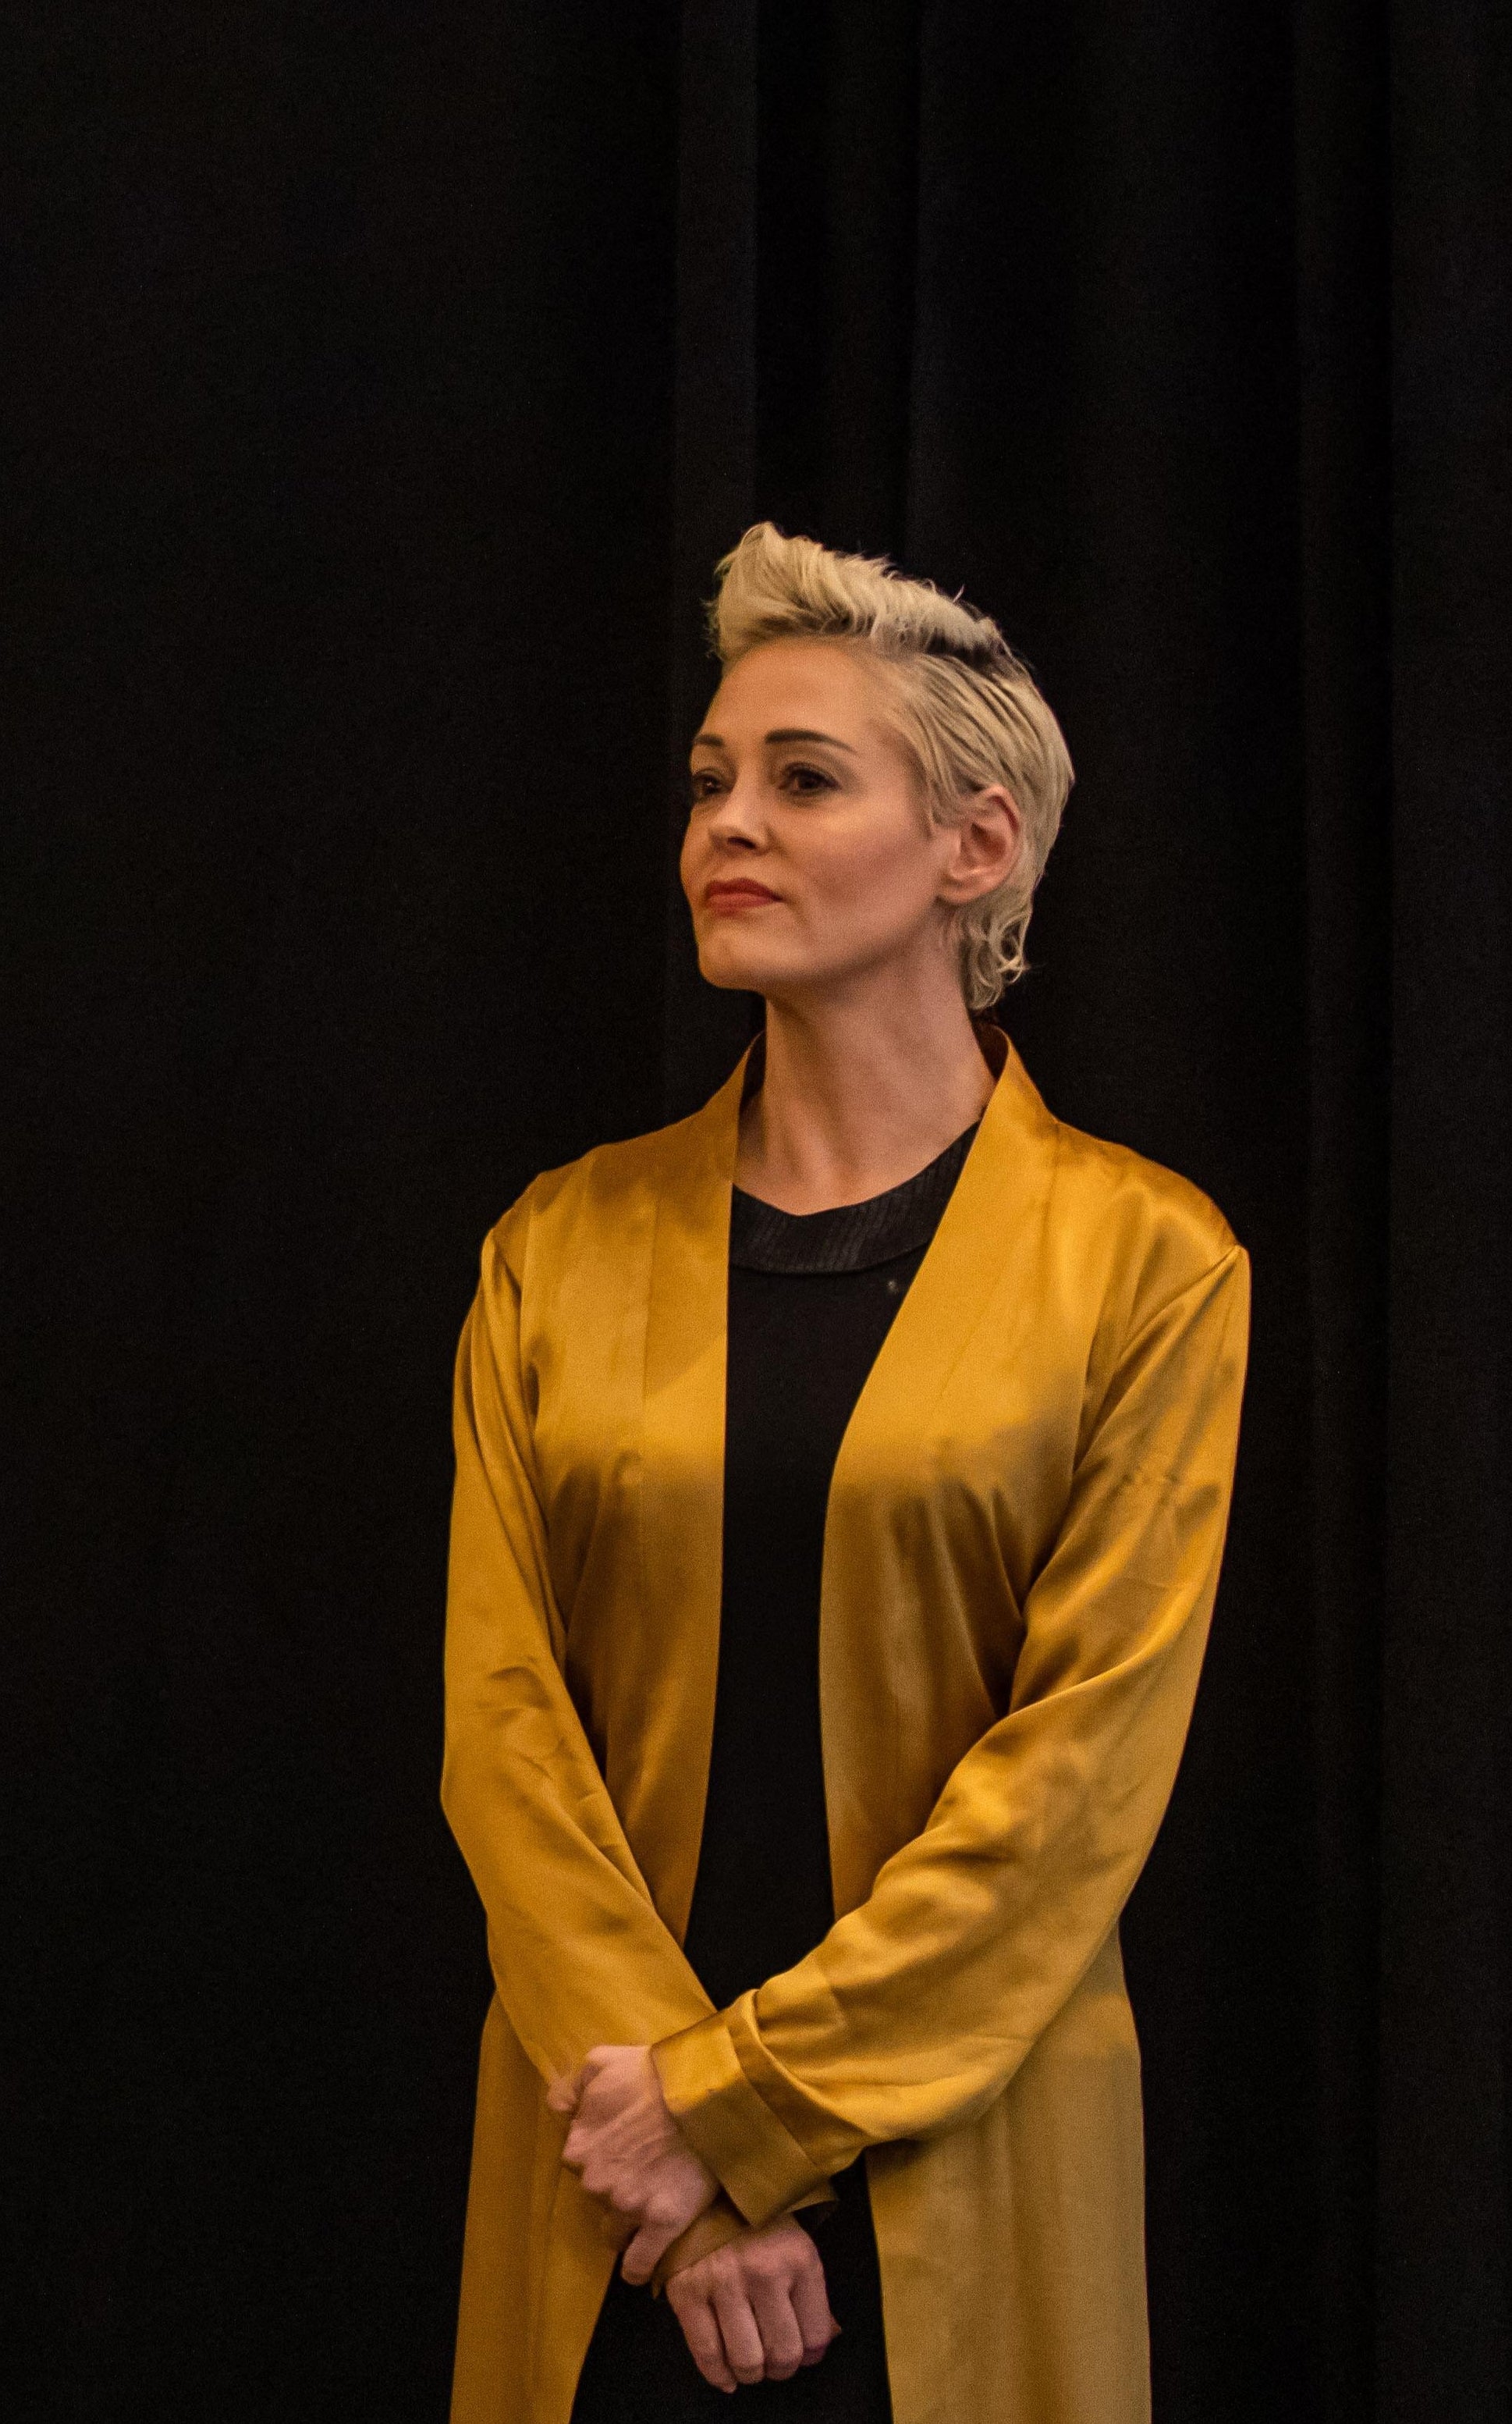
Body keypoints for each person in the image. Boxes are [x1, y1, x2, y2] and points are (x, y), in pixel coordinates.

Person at [437, 525, 1248, 2422]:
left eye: (802, 778)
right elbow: (499, 1728)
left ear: (973, 848)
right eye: (710, 779)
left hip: (954, 2162)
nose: (729, 819)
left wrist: (742, 2106)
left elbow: (1069, 1788)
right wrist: (674, 2162)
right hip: (604, 2168)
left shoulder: (1144, 1261)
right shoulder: (552, 1245)